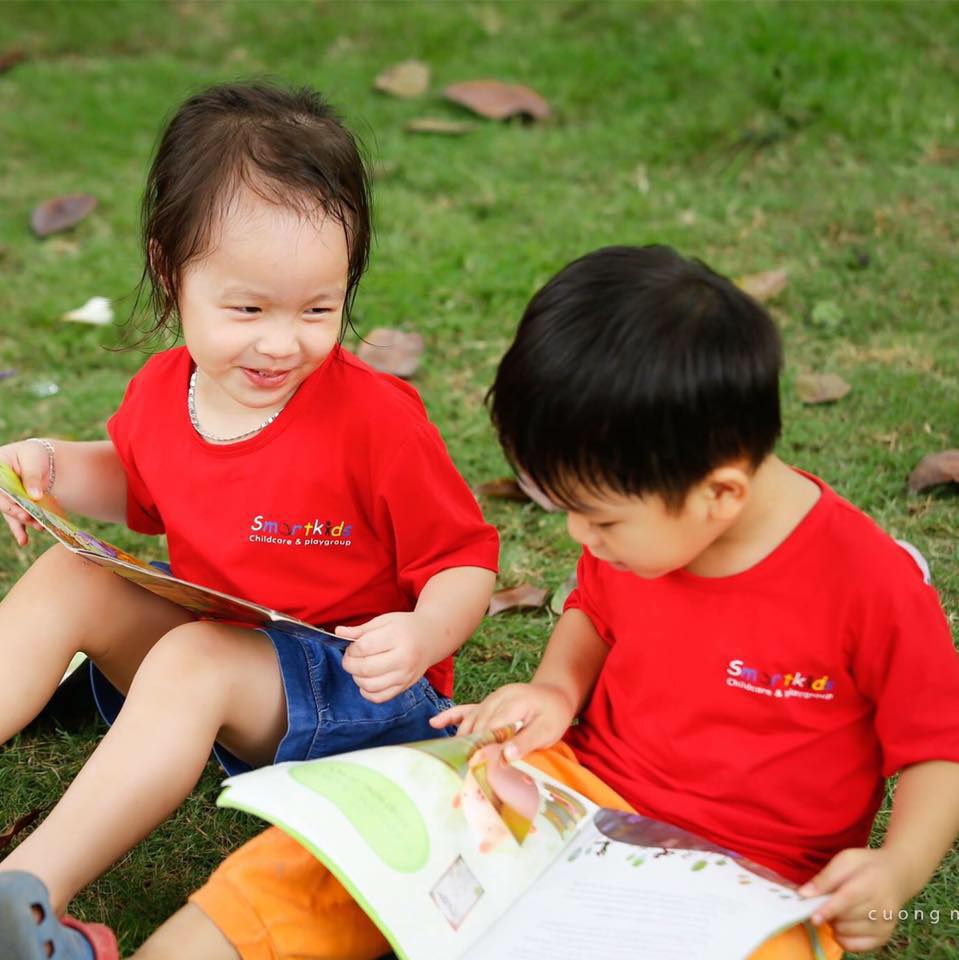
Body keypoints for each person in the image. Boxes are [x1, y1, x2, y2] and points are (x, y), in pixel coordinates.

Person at [7, 244, 959, 960]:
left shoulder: (869, 587)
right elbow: (592, 615)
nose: (580, 539)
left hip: (754, 881)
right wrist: (555, 689)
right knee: (338, 861)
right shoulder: (645, 523)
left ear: (720, 494)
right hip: (568, 797)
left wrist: (898, 869)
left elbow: (937, 753)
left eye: (597, 520)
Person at [0, 82, 498, 960]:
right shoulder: (165, 390)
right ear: (169, 272)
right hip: (226, 648)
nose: (280, 343)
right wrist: (50, 462)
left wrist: (424, 632)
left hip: (360, 690)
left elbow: (463, 558)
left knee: (194, 657)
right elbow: (141, 481)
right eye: (248, 309)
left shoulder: (375, 422)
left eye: (317, 309)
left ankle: (25, 896)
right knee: (70, 576)